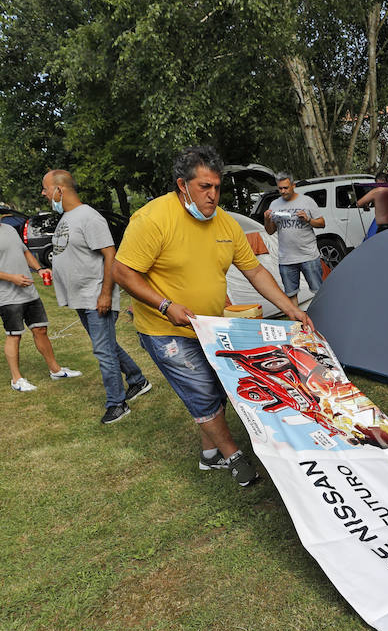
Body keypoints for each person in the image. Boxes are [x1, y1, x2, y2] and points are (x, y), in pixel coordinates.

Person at [114, 146, 314, 487]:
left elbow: (254, 272)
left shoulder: (224, 223)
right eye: (205, 187)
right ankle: (233, 456)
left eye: (217, 187)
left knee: (219, 390)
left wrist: (292, 307)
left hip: (210, 327)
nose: (213, 195)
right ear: (182, 185)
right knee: (203, 392)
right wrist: (165, 305)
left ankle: (209, 456)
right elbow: (123, 272)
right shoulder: (152, 219)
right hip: (165, 329)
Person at [42, 169, 151, 424]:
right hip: (81, 296)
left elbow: (110, 254)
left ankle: (117, 403)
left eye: (47, 189)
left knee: (103, 351)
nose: (44, 194)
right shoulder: (68, 217)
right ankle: (137, 380)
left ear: (60, 190)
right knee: (107, 346)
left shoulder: (89, 217)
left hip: (95, 296)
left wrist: (105, 294)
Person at [0, 191, 83, 392]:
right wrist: (12, 278)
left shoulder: (9, 230)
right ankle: (16, 379)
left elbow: (25, 252)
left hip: (28, 290)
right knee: (14, 334)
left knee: (40, 329)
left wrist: (39, 269)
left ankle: (55, 370)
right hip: (7, 295)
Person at [262, 172, 325, 298]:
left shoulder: (307, 201)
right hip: (286, 258)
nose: (283, 191)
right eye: (280, 188)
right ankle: (297, 318)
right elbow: (270, 231)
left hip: (309, 256)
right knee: (291, 294)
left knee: (318, 292)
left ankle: (322, 317)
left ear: (293, 185)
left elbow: (322, 223)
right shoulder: (274, 204)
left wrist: (308, 220)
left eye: (286, 188)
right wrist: (267, 219)